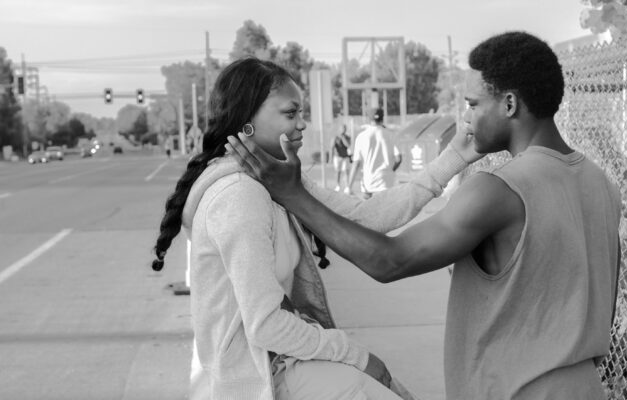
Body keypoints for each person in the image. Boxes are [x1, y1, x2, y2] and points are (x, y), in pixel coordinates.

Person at [227, 32, 622, 400]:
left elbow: (389, 260)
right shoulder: (600, 183)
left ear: (509, 104)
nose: (466, 118)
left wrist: (292, 194)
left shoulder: (497, 190)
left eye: (473, 104)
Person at [151, 57, 482, 400]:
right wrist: (355, 355)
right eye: (290, 113)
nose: (302, 123)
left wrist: (455, 156)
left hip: (286, 360)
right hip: (258, 378)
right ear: (247, 121)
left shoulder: (277, 181)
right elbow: (266, 325)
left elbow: (367, 216)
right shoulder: (238, 195)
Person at [347, 108, 402, 198]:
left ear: (369, 119)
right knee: (385, 205)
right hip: (386, 181)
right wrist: (390, 170)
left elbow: (356, 163)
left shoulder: (361, 136)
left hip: (368, 181)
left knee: (368, 206)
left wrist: (349, 186)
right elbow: (398, 159)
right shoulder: (390, 135)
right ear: (382, 118)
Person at [330, 123, 352, 192]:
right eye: (342, 128)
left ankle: (347, 187)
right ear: (340, 129)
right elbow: (332, 148)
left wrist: (343, 138)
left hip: (345, 157)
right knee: (338, 172)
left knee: (346, 171)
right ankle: (338, 186)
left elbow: (348, 145)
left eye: (345, 128)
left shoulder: (347, 137)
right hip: (337, 157)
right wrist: (330, 158)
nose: (344, 130)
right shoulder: (335, 137)